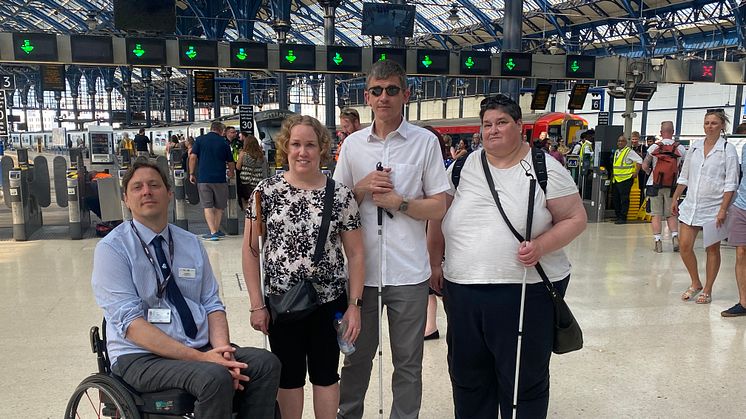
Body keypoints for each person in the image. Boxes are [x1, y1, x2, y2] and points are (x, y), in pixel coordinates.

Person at [428, 94, 586, 418]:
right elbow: (438, 217)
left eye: (501, 122)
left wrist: (541, 245)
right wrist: (433, 263)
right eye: (487, 124)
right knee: (468, 375)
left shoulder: (545, 169)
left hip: (526, 291)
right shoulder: (461, 167)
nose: (493, 130)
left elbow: (575, 218)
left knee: (522, 380)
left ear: (520, 126)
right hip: (463, 290)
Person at [91, 160, 281, 419]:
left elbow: (212, 304)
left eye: (154, 185)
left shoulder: (190, 243)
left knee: (265, 364)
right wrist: (201, 360)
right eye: (137, 187)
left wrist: (223, 354)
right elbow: (131, 325)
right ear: (126, 198)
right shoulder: (113, 249)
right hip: (140, 356)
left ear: (169, 194)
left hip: (199, 347)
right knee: (213, 377)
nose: (146, 191)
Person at [333, 59, 449, 419]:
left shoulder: (425, 143)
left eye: (392, 90)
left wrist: (402, 203)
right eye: (377, 91)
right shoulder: (352, 146)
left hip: (408, 273)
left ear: (406, 95)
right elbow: (333, 206)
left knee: (408, 364)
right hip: (361, 276)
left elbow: (440, 206)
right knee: (355, 359)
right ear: (367, 96)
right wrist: (361, 189)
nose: (384, 97)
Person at [243, 115, 365, 419]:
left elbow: (357, 253)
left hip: (328, 301)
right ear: (285, 147)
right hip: (282, 302)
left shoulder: (340, 195)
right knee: (288, 377)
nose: (302, 152)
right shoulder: (265, 192)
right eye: (296, 144)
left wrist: (355, 305)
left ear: (321, 148)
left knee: (326, 375)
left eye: (310, 144)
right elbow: (250, 251)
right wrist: (257, 305)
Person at [672, 110, 739, 304]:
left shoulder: (728, 150)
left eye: (714, 123)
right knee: (685, 246)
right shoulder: (694, 147)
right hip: (691, 205)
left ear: (722, 126)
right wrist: (676, 197)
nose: (709, 126)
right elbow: (684, 175)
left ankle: (707, 289)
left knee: (712, 250)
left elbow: (730, 183)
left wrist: (723, 209)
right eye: (707, 123)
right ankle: (695, 282)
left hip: (714, 207)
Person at [642, 122, 687, 253]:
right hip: (673, 185)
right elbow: (685, 168)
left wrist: (650, 171)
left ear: (661, 132)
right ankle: (675, 238)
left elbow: (645, 165)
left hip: (654, 185)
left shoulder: (654, 147)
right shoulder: (681, 148)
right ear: (673, 132)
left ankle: (658, 242)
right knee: (671, 213)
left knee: (655, 215)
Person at [189, 121, 236, 241]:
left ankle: (213, 231)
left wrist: (191, 173)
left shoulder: (199, 140)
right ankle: (215, 230)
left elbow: (193, 157)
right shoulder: (224, 142)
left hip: (204, 178)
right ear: (221, 131)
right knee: (219, 207)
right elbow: (230, 161)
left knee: (207, 206)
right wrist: (231, 172)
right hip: (220, 178)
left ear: (211, 129)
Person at [611, 135, 642, 224]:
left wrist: (636, 172)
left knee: (624, 199)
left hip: (626, 179)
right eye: (619, 141)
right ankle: (618, 215)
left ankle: (623, 217)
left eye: (622, 141)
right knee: (616, 199)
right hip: (617, 179)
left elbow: (639, 160)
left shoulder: (629, 152)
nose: (620, 143)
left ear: (626, 143)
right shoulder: (617, 152)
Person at [236, 132, 268, 209]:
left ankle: (248, 217)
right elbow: (265, 169)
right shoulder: (261, 156)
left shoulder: (243, 154)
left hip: (246, 182)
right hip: (258, 182)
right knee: (256, 202)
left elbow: (238, 167)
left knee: (246, 202)